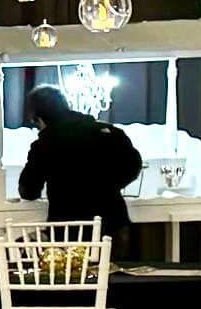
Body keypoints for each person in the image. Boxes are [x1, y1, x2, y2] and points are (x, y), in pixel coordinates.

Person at [16, 83, 142, 240]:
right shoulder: (109, 132)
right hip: (113, 222)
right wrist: (108, 186)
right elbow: (134, 165)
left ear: (39, 119)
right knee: (114, 256)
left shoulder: (44, 145)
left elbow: (28, 191)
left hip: (70, 229)